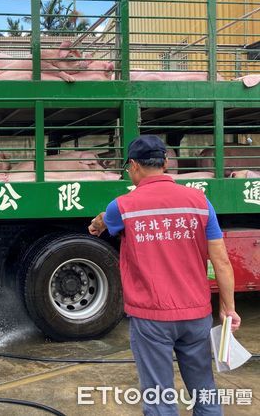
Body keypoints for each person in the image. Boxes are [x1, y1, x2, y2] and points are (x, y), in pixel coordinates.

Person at [88, 135, 241, 415]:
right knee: (205, 393)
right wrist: (228, 310)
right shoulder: (199, 202)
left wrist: (97, 224)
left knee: (159, 399)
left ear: (133, 166)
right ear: (166, 163)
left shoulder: (121, 207)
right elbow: (222, 262)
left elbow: (102, 221)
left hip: (151, 319)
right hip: (196, 316)